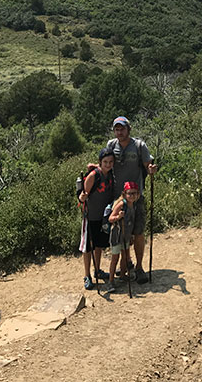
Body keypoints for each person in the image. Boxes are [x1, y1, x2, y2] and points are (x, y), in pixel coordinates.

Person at [106, 116, 157, 283]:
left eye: (122, 129)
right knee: (122, 233)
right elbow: (106, 164)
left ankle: (140, 267)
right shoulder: (111, 145)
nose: (119, 132)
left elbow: (148, 165)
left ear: (129, 129)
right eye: (117, 129)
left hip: (136, 196)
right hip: (119, 197)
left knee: (139, 232)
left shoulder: (139, 146)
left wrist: (151, 169)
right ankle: (126, 263)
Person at [78, 147, 115, 289]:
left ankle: (97, 270)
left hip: (103, 217)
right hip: (90, 216)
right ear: (100, 162)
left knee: (98, 245)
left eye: (111, 161)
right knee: (88, 247)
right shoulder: (94, 175)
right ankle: (87, 275)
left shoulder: (111, 175)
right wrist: (82, 198)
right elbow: (83, 195)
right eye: (105, 161)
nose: (108, 164)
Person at [105, 180, 140, 293]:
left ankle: (123, 276)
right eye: (130, 193)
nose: (132, 196)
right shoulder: (121, 204)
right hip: (117, 235)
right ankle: (111, 281)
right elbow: (110, 218)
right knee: (115, 258)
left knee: (125, 257)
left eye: (134, 193)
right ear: (124, 194)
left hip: (126, 235)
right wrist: (118, 217)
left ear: (138, 194)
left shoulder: (133, 205)